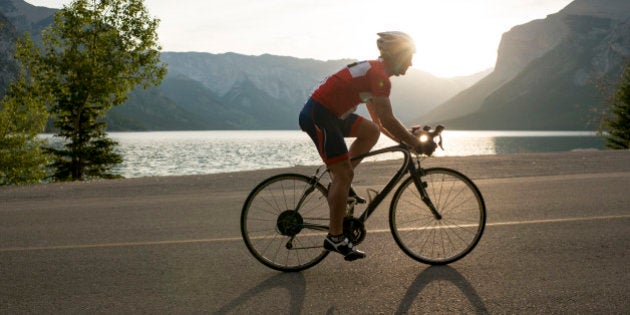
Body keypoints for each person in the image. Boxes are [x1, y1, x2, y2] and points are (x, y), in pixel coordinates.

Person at [299, 31, 432, 261]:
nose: (411, 63)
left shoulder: (374, 73)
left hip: (330, 114)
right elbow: (388, 118)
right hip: (318, 115)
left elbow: (380, 121)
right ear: (397, 56)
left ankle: (340, 183)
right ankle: (335, 237)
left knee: (371, 131)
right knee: (344, 174)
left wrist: (407, 139)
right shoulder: (379, 75)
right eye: (409, 56)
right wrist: (413, 143)